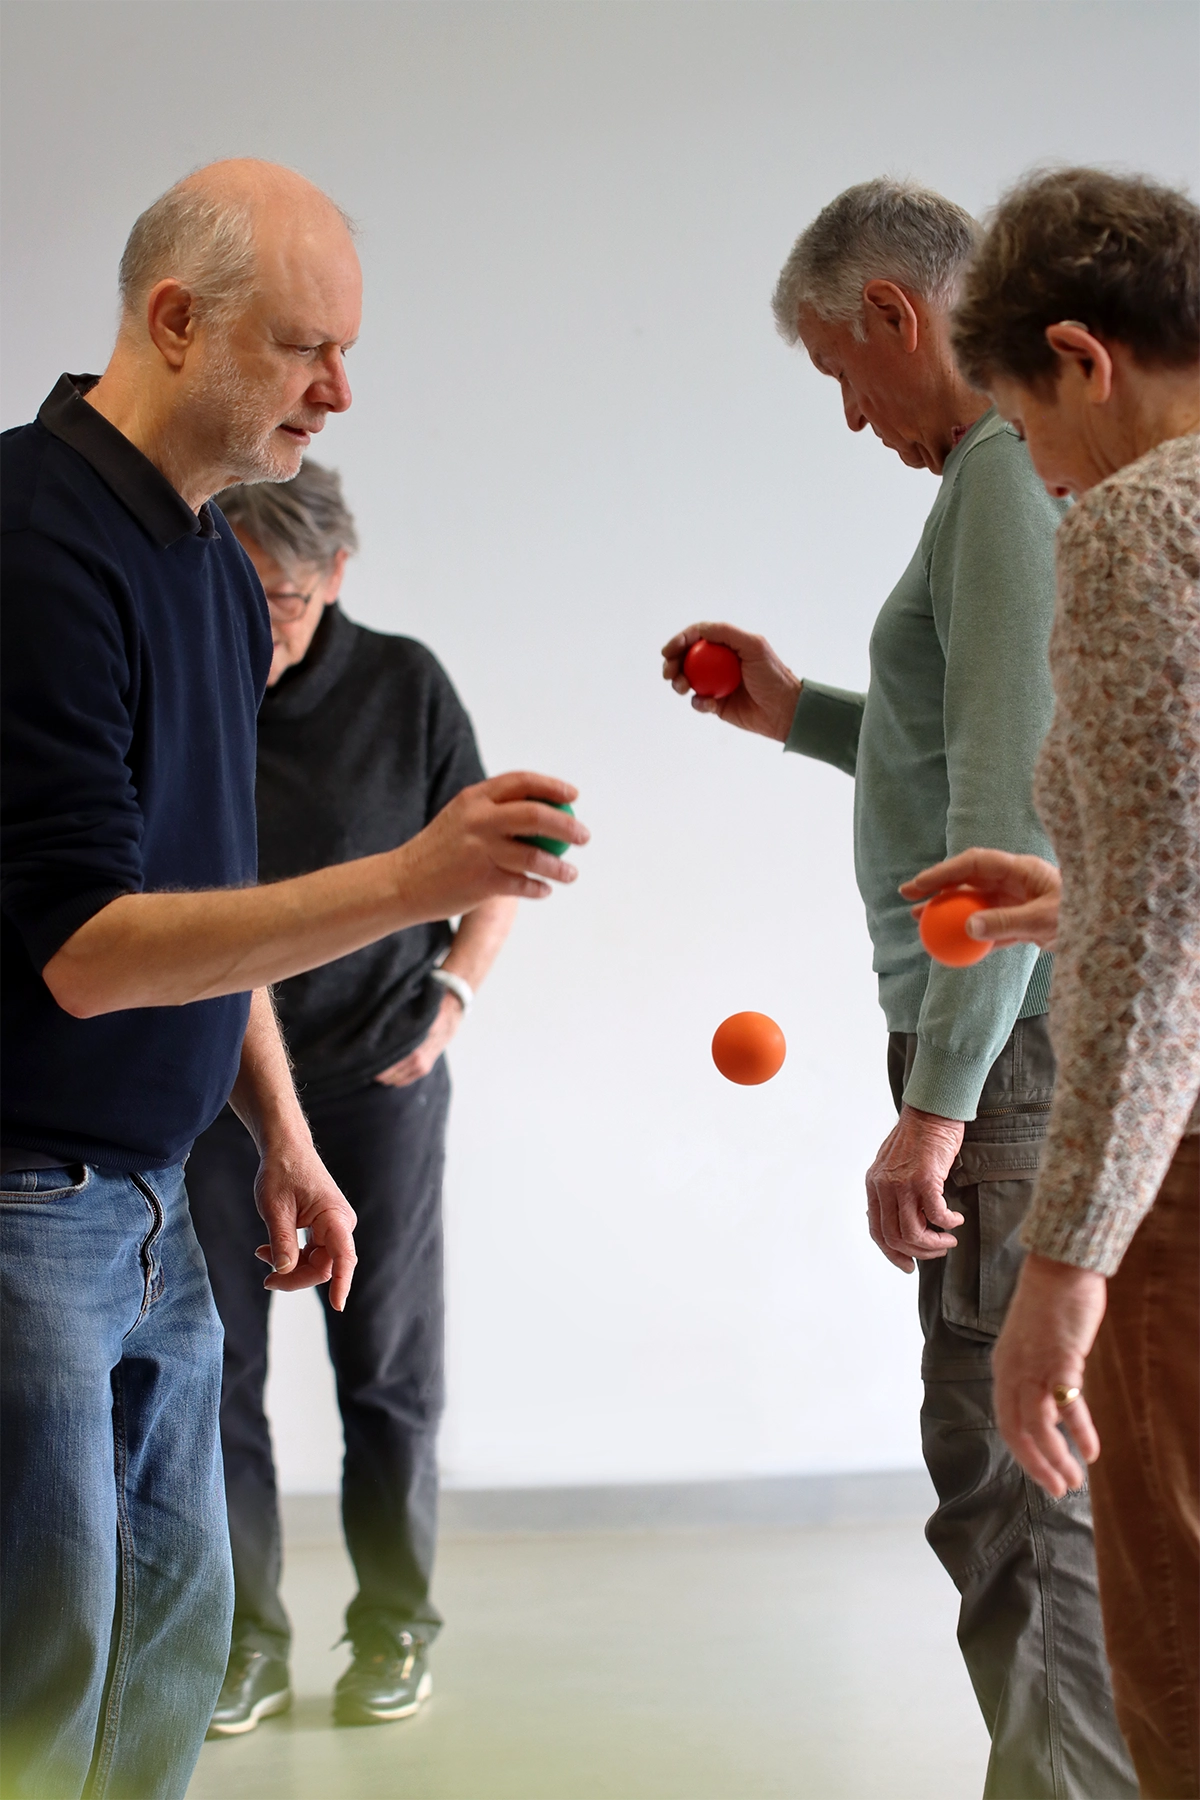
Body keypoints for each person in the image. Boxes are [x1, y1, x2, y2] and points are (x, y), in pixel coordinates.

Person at [0, 158, 586, 1800]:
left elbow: (213, 901)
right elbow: (89, 950)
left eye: (347, 353)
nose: (337, 394)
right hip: (28, 1208)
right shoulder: (35, 550)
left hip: (162, 1204)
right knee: (41, 1673)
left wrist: (285, 1137)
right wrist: (412, 881)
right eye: (303, 349)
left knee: (164, 1669)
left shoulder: (197, 556)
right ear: (174, 323)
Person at [662, 178, 1135, 1798]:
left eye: (841, 379)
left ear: (894, 317)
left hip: (1006, 1056)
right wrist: (796, 714)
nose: (856, 421)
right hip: (1023, 1037)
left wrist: (934, 1107)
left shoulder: (1005, 476)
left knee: (1014, 1483)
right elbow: (960, 761)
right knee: (1036, 1471)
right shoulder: (999, 489)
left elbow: (1003, 815)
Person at [906, 166, 1200, 1798]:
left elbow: (1172, 940)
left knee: (1176, 1654)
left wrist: (1067, 1266)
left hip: (1186, 1186)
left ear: (1080, 359)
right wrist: (1078, 895)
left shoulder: (1146, 524)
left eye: (1026, 423)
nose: (1047, 478)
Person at [187, 460, 516, 1734]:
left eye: (278, 597)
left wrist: (451, 1004)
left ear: (336, 575)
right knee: (213, 1371)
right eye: (236, 592)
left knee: (382, 1368)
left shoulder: (404, 684)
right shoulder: (194, 683)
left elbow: (497, 861)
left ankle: (393, 1631)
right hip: (217, 1081)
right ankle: (242, 1646)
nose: (257, 624)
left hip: (377, 1078)